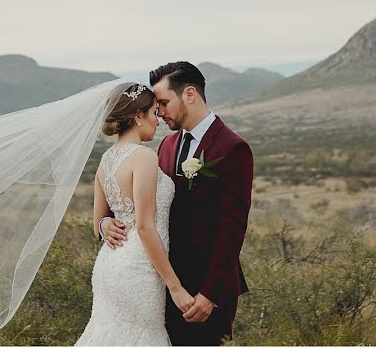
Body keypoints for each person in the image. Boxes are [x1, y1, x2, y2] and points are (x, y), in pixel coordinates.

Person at [100, 62, 254, 346]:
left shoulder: (233, 148)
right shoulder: (167, 145)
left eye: (163, 102)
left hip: (205, 291)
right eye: (155, 106)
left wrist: (210, 294)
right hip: (161, 283)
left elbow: (233, 229)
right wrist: (105, 221)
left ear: (190, 95)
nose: (158, 111)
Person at [75, 83, 193, 346]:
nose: (158, 120)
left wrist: (105, 222)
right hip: (139, 269)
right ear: (138, 117)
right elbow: (144, 227)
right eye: (153, 112)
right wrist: (176, 287)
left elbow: (97, 224)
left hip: (109, 265)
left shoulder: (106, 160)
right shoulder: (143, 157)